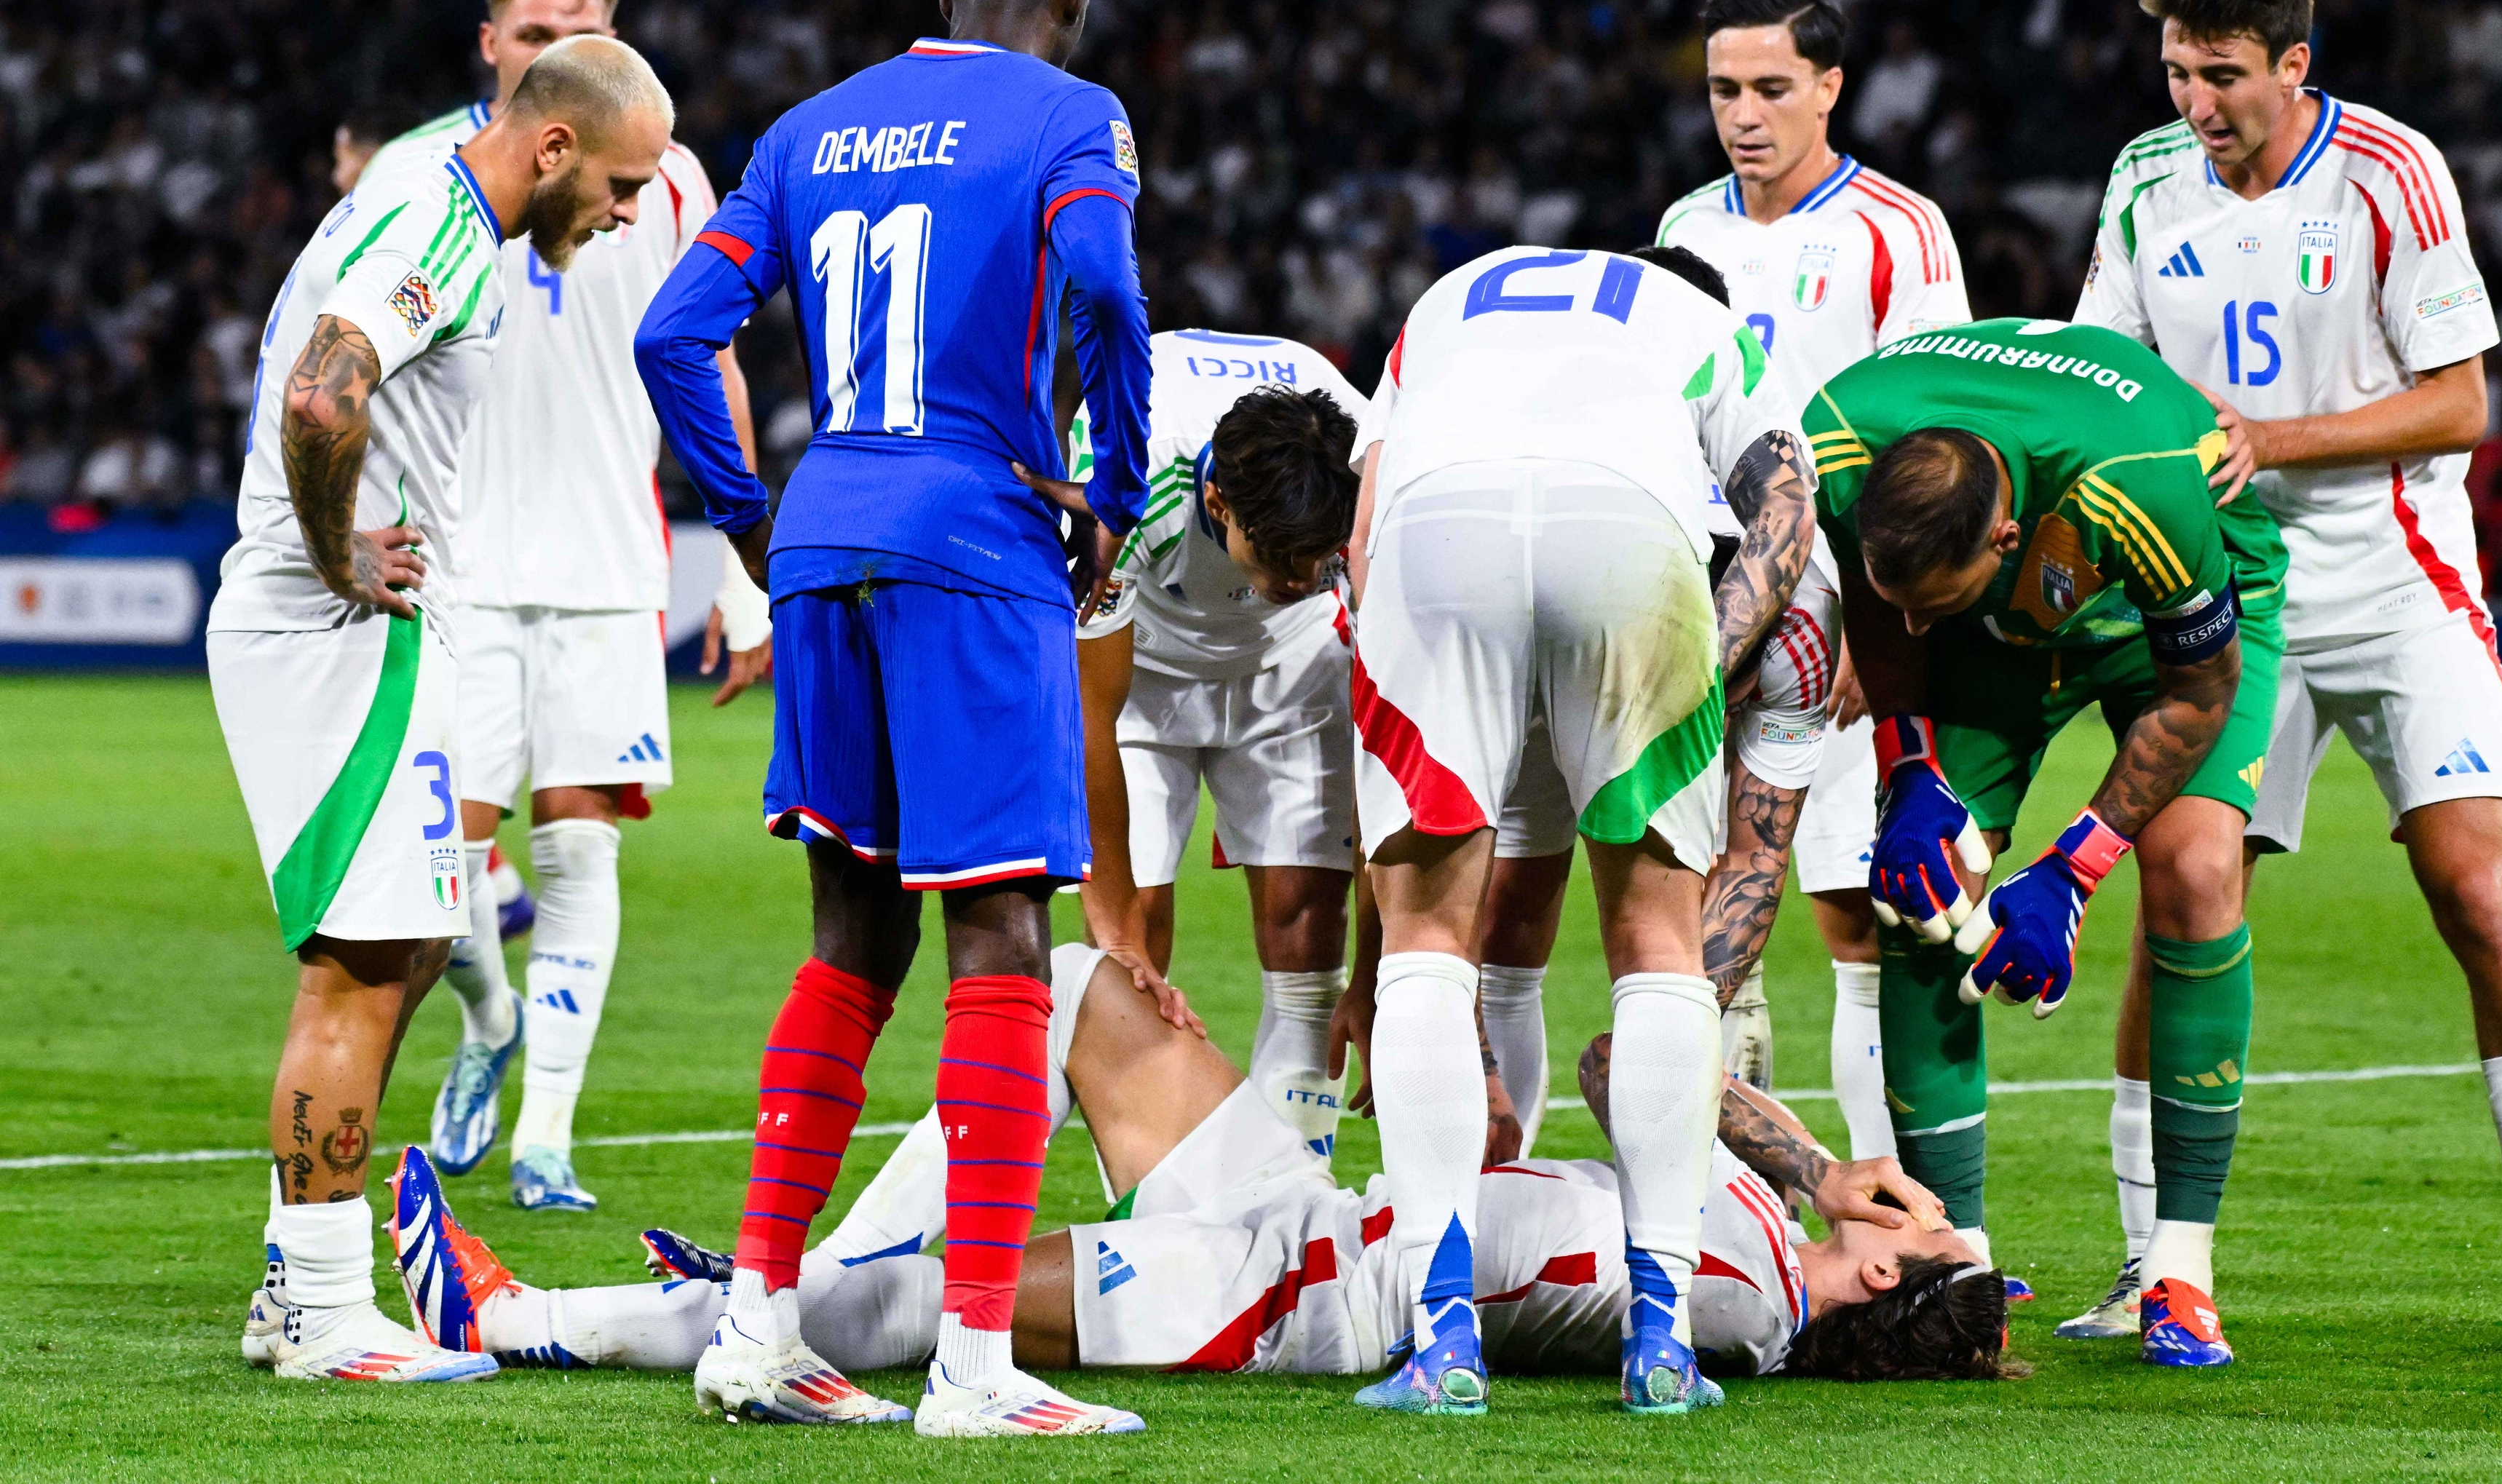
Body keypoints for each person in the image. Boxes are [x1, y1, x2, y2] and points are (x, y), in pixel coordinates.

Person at [633, 0, 1152, 1437]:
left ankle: (760, 1328)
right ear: (1070, 1)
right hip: (976, 541)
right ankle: (976, 1364)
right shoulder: (1074, 114)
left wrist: (744, 517)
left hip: (823, 533)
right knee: (998, 941)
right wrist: (1112, 495)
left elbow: (677, 329)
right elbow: (1109, 291)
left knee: (849, 945)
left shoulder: (810, 127)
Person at [2070, 0, 2502, 1346]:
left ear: (2294, 64)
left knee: (2476, 888)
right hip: (2222, 596)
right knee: (2180, 891)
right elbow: (2106, 369)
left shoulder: (2388, 170)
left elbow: (2459, 403)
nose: (2197, 102)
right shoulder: (2141, 181)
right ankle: (2150, 1260)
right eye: (2179, 71)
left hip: (2395, 580)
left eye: (2226, 74)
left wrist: (2270, 439)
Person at [387, 944, 2018, 1389]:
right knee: (1081, 986)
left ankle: (528, 1316)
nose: (1928, 1193)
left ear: (1884, 1279)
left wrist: (1810, 1207)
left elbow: (1552, 1204)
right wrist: (1816, 1169)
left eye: (1933, 1227)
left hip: (1291, 1289)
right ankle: (794, 1275)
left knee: (918, 1315)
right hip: (1308, 1204)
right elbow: (1620, 1065)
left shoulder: (1731, 1311)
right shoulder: (1744, 1225)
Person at [213, 35, 676, 1383]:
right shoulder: (440, 224)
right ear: (552, 148)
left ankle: (296, 1273)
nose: (627, 210)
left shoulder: (437, 209)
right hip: (338, 634)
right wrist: (330, 548)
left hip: (378, 633)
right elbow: (322, 385)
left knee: (413, 949)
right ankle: (319, 1310)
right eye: (620, 182)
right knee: (363, 966)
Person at [1339, 239, 1813, 1414]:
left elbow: (1363, 525)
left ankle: (1441, 1345)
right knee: (1657, 942)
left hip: (1436, 526)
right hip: (1629, 529)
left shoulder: (1448, 297)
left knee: (1425, 943)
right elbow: (1785, 501)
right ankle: (1663, 1345)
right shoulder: (1695, 319)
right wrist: (1712, 646)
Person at [368, 0, 766, 1214]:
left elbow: (713, 366)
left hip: (608, 560)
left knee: (581, 853)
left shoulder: (670, 179)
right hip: (457, 563)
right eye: (538, 35)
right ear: (494, 44)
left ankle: (548, 1137)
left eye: (585, 39)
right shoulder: (422, 178)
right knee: (454, 864)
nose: (559, 56)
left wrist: (747, 575)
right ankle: (488, 1022)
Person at [1804, 316, 2287, 1368]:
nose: (1914, 625)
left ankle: (2179, 1268)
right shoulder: (1839, 439)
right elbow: (1891, 619)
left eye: (1939, 598)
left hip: (2164, 634)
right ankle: (1957, 1260)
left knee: (2198, 871)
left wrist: (2074, 867)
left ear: (2006, 539)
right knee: (1918, 894)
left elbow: (2200, 692)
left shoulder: (2138, 485)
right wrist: (1912, 771)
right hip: (1999, 640)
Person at [1636, 0, 1969, 1154]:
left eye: (1772, 86)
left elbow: (1937, 445)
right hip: (1711, 614)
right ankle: (1739, 1200)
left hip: (1837, 619)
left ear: (1831, 86)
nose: (1743, 113)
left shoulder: (1898, 231)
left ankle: (1894, 1205)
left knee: (1853, 916)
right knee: (1700, 909)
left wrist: (1885, 637)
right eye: (1725, 88)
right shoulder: (1683, 229)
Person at [1065, 345, 1366, 1159]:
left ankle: (1294, 1214)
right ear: (1217, 501)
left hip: (1293, 667)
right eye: (1282, 557)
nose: (1306, 573)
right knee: (1131, 954)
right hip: (1142, 673)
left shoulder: (1365, 463)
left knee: (1310, 934)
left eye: (1321, 554)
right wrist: (1113, 928)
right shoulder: (1126, 475)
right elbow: (1091, 707)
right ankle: (1147, 1206)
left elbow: (1395, 728)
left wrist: (1378, 962)